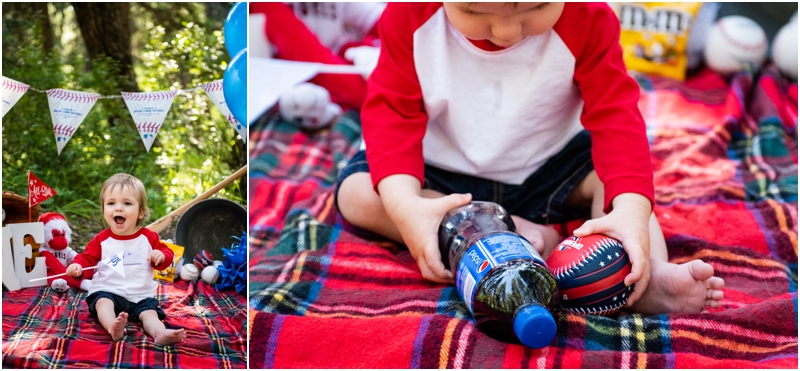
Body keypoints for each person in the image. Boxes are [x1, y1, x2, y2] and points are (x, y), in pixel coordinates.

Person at [335, 2, 725, 314]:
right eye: (473, 11)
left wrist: (632, 211)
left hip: (549, 168)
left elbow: (616, 119)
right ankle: (499, 227)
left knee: (619, 187)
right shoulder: (409, 15)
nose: (507, 31)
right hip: (443, 176)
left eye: (536, 7)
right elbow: (393, 114)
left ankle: (646, 275)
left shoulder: (589, 17)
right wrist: (405, 206)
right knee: (358, 194)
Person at [66, 173, 185, 345]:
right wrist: (77, 266)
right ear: (104, 210)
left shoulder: (148, 237)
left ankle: (159, 332)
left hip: (140, 295)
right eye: (111, 203)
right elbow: (87, 258)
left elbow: (166, 254)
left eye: (127, 203)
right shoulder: (102, 239)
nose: (118, 208)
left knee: (149, 313)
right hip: (108, 290)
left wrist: (160, 256)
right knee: (102, 304)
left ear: (141, 212)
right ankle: (112, 327)